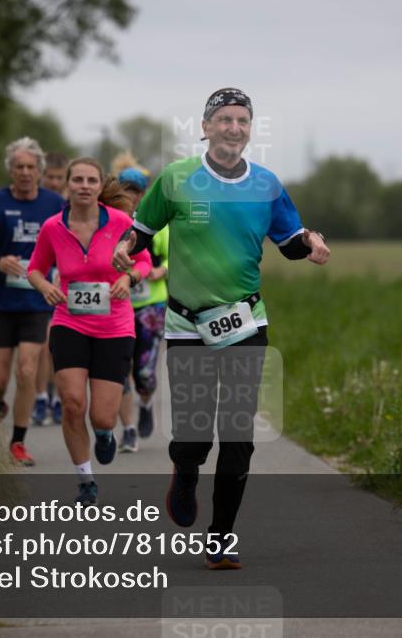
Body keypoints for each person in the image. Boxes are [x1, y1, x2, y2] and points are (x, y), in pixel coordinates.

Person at [112, 88, 330, 569]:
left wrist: (310, 241)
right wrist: (126, 249)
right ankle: (185, 470)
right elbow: (142, 233)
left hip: (246, 322)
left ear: (251, 130)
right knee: (194, 436)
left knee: (238, 434)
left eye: (243, 121)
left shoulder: (267, 185)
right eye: (225, 119)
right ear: (206, 127)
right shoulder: (175, 179)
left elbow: (289, 239)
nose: (234, 128)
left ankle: (220, 537)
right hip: (187, 323)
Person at [27, 158, 152, 506]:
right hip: (70, 321)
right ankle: (85, 478)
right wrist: (44, 288)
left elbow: (144, 262)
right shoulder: (53, 227)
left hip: (114, 325)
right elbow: (35, 269)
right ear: (68, 185)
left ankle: (103, 434)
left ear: (100, 186)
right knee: (71, 402)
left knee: (102, 415)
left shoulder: (121, 222)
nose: (84, 185)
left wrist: (128, 278)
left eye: (91, 180)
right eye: (77, 179)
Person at [0, 137, 64, 466]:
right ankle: (0, 404)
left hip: (37, 301)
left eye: (30, 167)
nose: (25, 172)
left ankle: (18, 443)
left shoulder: (53, 203)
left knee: (26, 371)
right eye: (18, 167)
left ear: (39, 171)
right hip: (0, 300)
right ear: (11, 170)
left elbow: (68, 242)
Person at [115, 166, 169, 453]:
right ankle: (129, 429)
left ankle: (145, 403)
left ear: (144, 193)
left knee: (144, 374)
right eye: (124, 189)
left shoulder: (158, 224)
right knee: (120, 370)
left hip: (150, 305)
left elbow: (177, 257)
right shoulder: (110, 221)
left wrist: (162, 269)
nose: (130, 195)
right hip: (116, 306)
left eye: (135, 191)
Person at [32, 151, 70, 426]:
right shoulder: (35, 203)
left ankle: (56, 397)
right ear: (42, 176)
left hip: (62, 280)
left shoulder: (67, 205)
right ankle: (41, 396)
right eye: (51, 177)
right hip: (34, 279)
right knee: (42, 345)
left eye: (60, 178)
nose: (54, 183)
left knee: (56, 345)